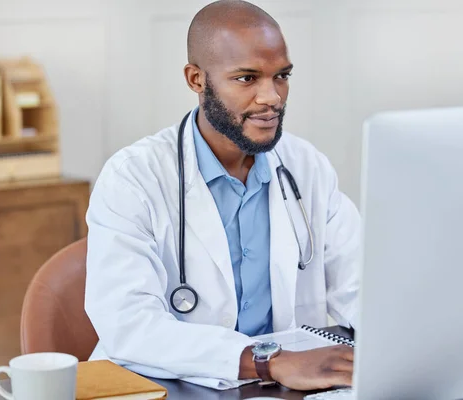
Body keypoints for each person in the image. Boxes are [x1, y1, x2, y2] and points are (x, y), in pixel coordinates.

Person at [84, 0, 360, 391]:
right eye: (247, 79)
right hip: (166, 384)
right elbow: (127, 324)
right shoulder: (133, 177)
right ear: (197, 79)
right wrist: (267, 363)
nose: (272, 97)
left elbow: (361, 284)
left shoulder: (306, 166)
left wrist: (403, 339)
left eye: (281, 76)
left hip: (279, 388)